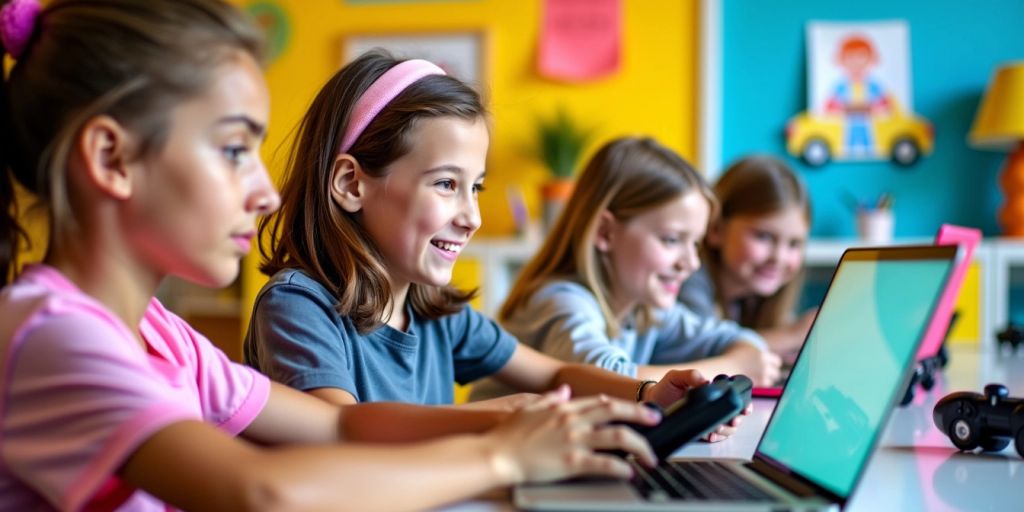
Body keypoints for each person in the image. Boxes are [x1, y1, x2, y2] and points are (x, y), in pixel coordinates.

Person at [0, 2, 665, 510]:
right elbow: (265, 491)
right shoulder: (53, 335)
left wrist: (524, 422)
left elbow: (343, 424)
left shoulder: (165, 337)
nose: (264, 191)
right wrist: (503, 457)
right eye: (234, 150)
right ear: (112, 158)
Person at [243, 52, 745, 438]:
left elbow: (554, 374)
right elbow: (345, 430)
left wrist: (647, 393)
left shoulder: (435, 313)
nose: (472, 217)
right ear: (353, 185)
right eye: (445, 184)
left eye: (475, 187)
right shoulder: (298, 305)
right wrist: (499, 416)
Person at [470, 136, 781, 406]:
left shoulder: (644, 312)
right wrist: (732, 367)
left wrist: (744, 357)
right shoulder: (561, 300)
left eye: (695, 243)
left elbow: (737, 338)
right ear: (606, 232)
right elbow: (604, 380)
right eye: (672, 240)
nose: (691, 263)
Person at [677, 155, 815, 355]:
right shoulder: (689, 277)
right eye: (764, 236)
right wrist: (792, 336)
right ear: (715, 228)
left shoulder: (753, 300)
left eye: (794, 243)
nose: (779, 258)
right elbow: (702, 347)